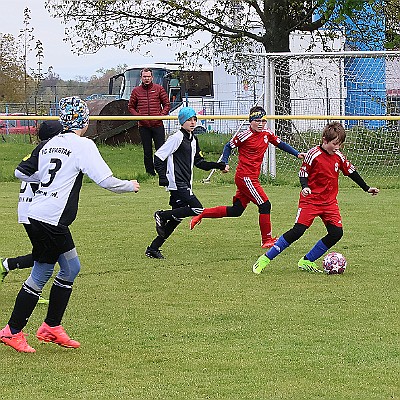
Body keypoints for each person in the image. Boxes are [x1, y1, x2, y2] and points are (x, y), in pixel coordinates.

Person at [0, 96, 140, 353]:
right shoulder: (83, 145)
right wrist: (129, 185)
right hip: (51, 219)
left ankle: (48, 327)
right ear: (84, 120)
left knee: (66, 268)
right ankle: (15, 330)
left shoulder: (50, 143)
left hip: (38, 214)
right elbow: (105, 180)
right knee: (46, 272)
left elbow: (25, 173)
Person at [252, 121, 379, 274]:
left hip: (329, 203)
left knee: (336, 233)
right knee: (297, 231)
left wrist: (367, 188)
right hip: (310, 201)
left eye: (340, 144)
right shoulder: (313, 154)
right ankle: (265, 259)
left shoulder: (338, 156)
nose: (337, 147)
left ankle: (307, 260)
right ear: (325, 140)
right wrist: (305, 187)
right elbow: (303, 173)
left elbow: (351, 172)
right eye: (334, 143)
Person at [189, 106, 305, 249]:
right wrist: (224, 162)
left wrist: (297, 154)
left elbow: (281, 144)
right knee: (265, 205)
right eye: (257, 121)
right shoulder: (245, 135)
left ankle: (202, 214)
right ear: (251, 121)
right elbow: (228, 146)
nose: (261, 124)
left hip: (250, 178)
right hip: (246, 177)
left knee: (236, 211)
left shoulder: (267, 133)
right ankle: (266, 240)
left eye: (263, 120)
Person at [145, 107, 229, 259]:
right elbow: (158, 157)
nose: (192, 122)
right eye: (189, 120)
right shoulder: (176, 137)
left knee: (176, 218)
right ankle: (162, 215)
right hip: (177, 183)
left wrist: (219, 165)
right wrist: (163, 177)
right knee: (197, 209)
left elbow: (199, 162)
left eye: (194, 119)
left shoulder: (193, 139)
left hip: (185, 182)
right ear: (182, 121)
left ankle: (153, 248)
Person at [0, 121, 63, 306]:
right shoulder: (47, 152)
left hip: (29, 210)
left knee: (44, 252)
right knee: (48, 254)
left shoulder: (41, 151)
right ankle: (8, 267)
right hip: (34, 212)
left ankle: (13, 271)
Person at [128, 67, 171, 176]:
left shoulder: (159, 89)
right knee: (147, 151)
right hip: (143, 125)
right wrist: (138, 116)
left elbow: (167, 105)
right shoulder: (136, 91)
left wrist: (161, 116)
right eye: (144, 76)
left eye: (148, 76)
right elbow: (131, 107)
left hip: (157, 124)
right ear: (141, 77)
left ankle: (163, 172)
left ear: (152, 77)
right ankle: (150, 173)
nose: (146, 78)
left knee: (161, 149)